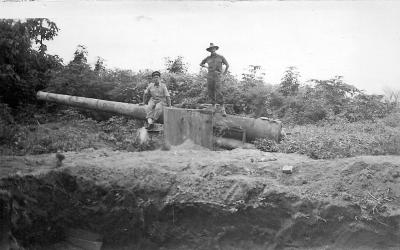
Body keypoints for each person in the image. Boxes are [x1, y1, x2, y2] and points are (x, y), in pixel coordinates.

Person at [200, 43, 229, 116]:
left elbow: (227, 65)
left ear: (215, 49)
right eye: (210, 49)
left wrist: (224, 74)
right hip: (210, 75)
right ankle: (213, 106)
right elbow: (201, 64)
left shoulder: (220, 57)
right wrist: (206, 67)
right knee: (210, 90)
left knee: (218, 91)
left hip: (217, 75)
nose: (212, 50)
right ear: (209, 50)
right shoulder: (208, 58)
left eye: (213, 48)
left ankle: (222, 108)